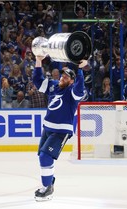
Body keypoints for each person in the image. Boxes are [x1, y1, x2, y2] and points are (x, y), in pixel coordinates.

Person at [32, 55, 87, 201]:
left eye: (67, 77)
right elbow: (37, 81)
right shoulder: (54, 85)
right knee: (42, 157)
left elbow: (80, 89)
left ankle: (47, 189)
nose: (63, 77)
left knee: (45, 156)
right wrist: (38, 60)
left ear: (72, 81)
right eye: (63, 75)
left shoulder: (72, 92)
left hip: (61, 131)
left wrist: (80, 70)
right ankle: (49, 182)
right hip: (48, 128)